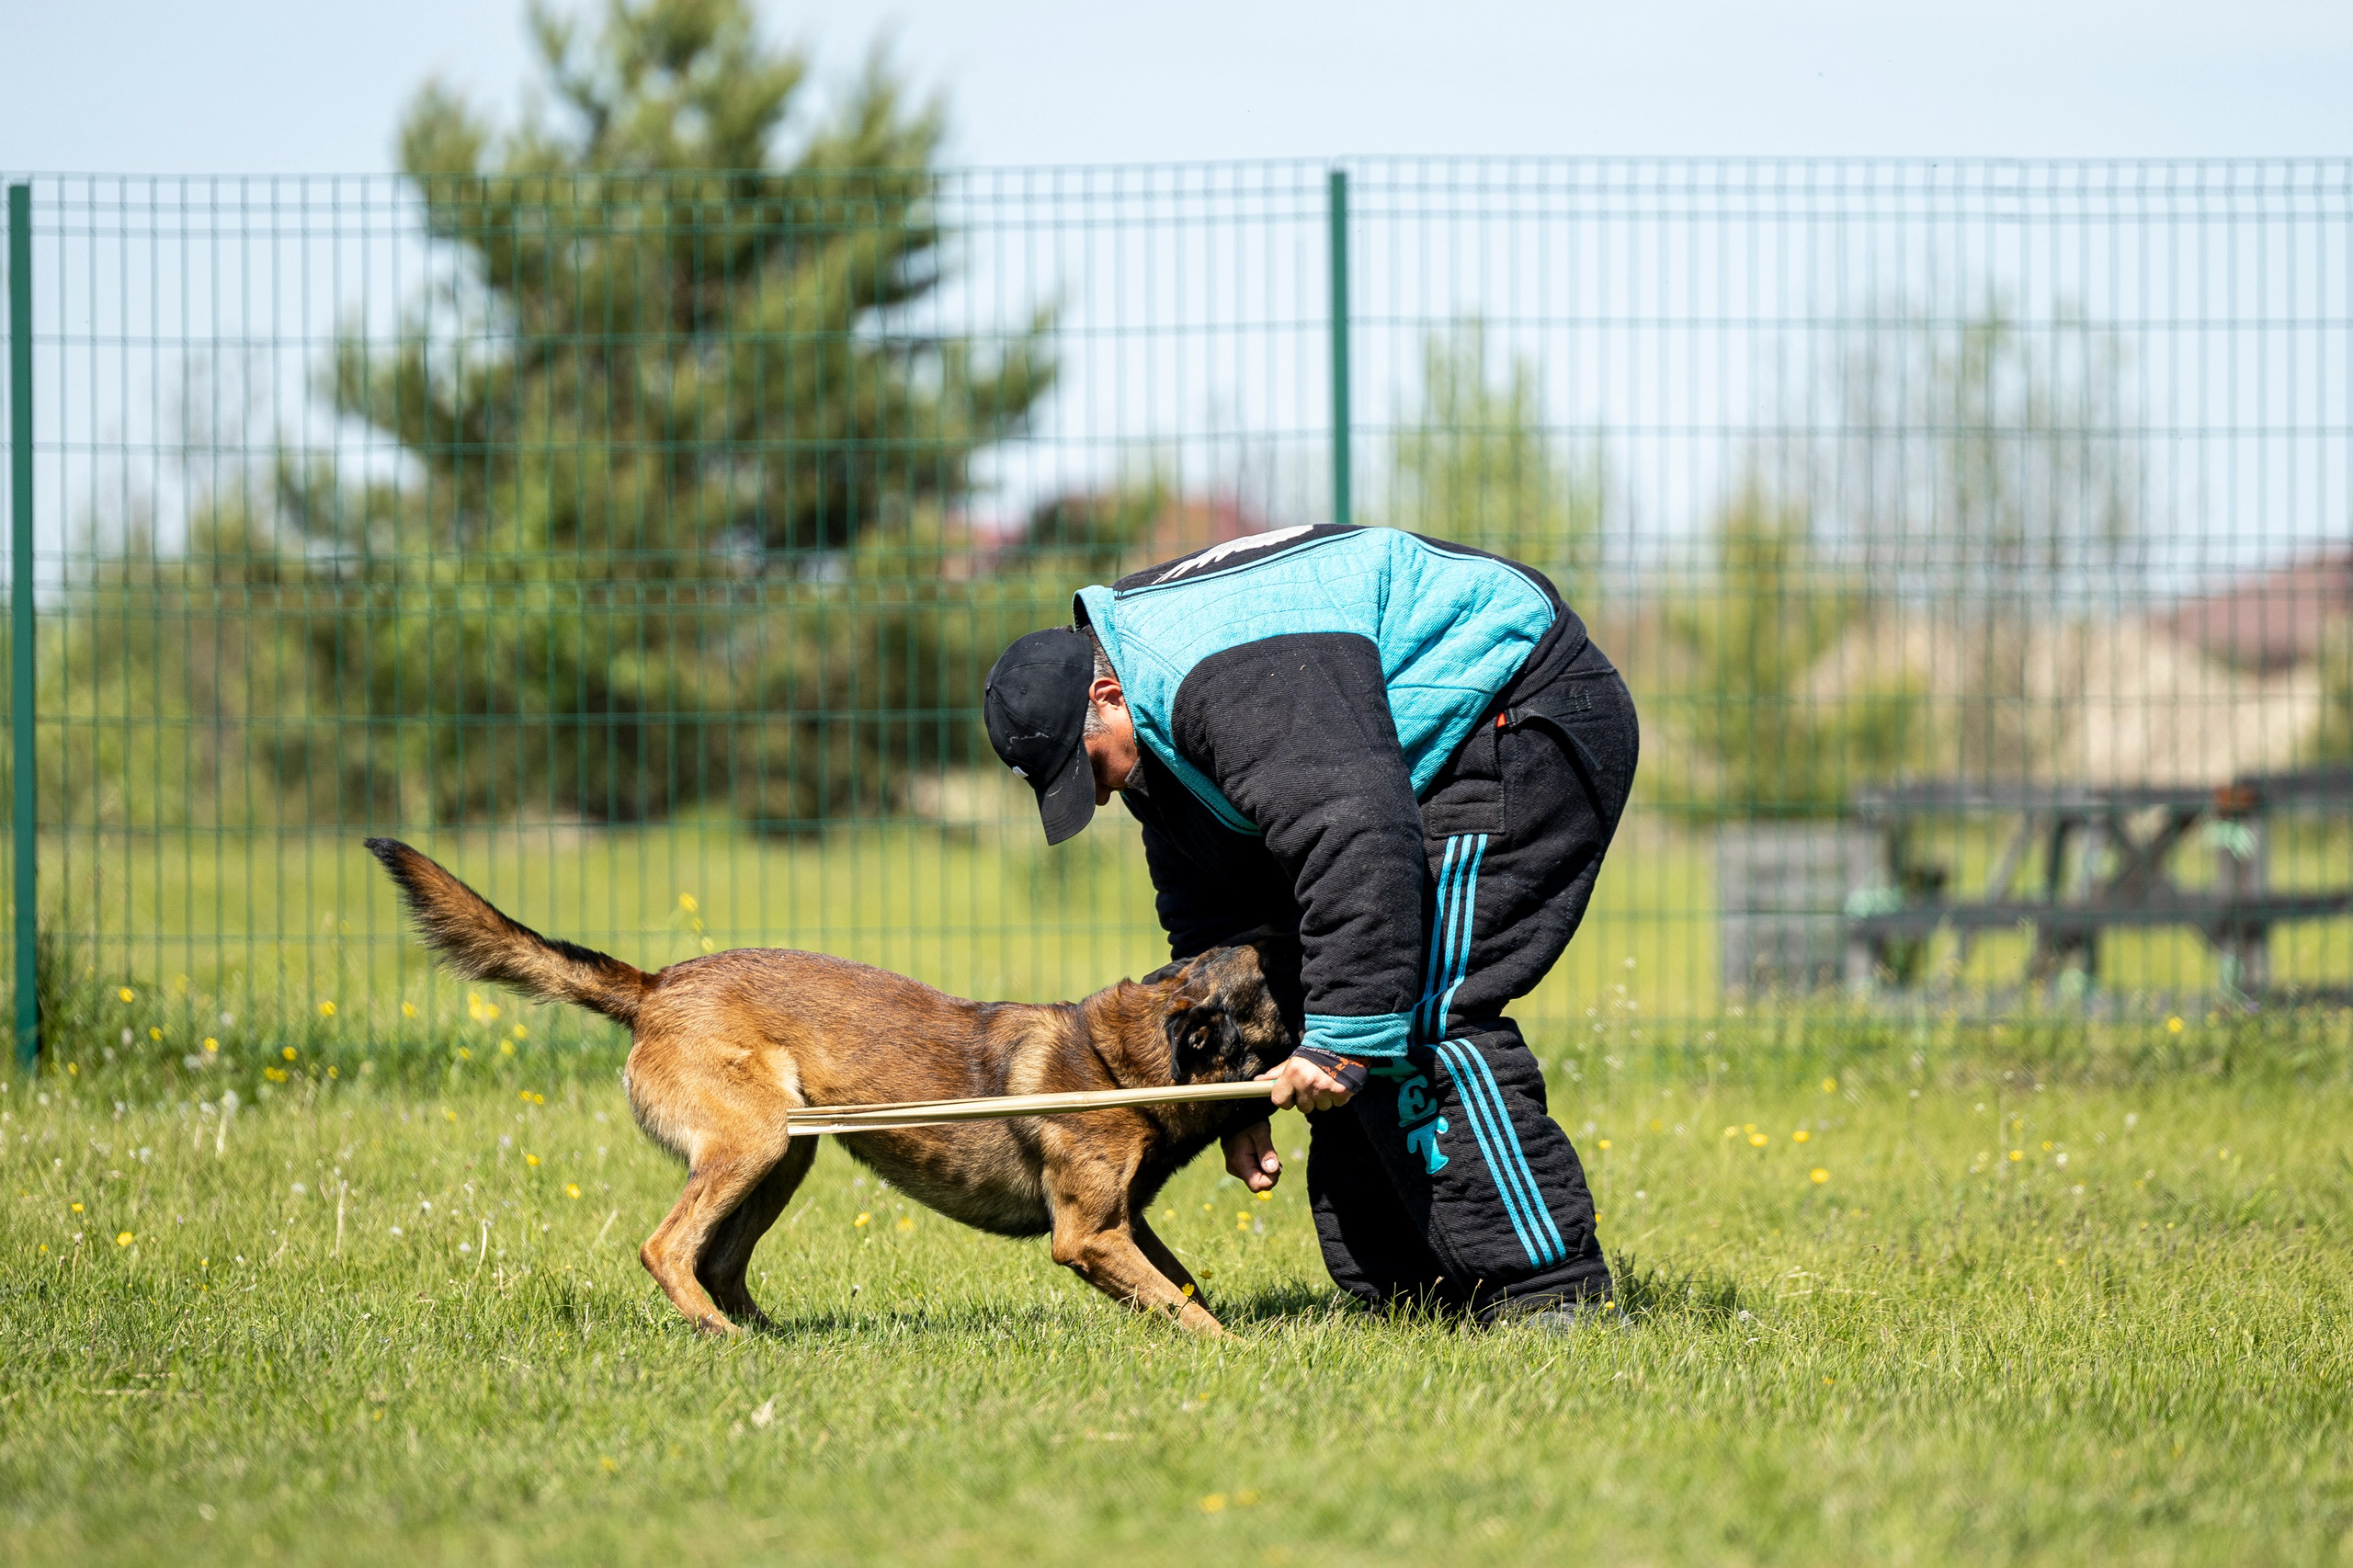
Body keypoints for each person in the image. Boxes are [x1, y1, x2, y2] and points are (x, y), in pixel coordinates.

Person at [983, 523, 1638, 1327]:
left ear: (1105, 696)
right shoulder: (1150, 711)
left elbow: (1356, 836)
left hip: (1518, 710)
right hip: (1399, 777)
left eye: (1091, 771)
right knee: (1342, 998)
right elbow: (1220, 918)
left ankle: (1549, 1292)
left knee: (1413, 1005)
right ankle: (1415, 1291)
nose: (1105, 797)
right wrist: (1238, 1087)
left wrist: (1342, 1037)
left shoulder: (1222, 681)